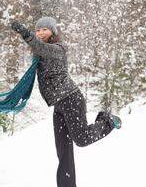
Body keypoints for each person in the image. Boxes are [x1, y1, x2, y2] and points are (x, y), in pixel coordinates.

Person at [11, 16, 122, 187]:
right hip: (59, 105)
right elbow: (39, 48)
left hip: (71, 99)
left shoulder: (58, 48)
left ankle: (108, 120)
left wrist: (25, 34)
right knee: (63, 153)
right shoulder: (40, 52)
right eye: (38, 30)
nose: (40, 33)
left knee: (82, 139)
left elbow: (40, 47)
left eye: (44, 29)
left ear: (52, 31)